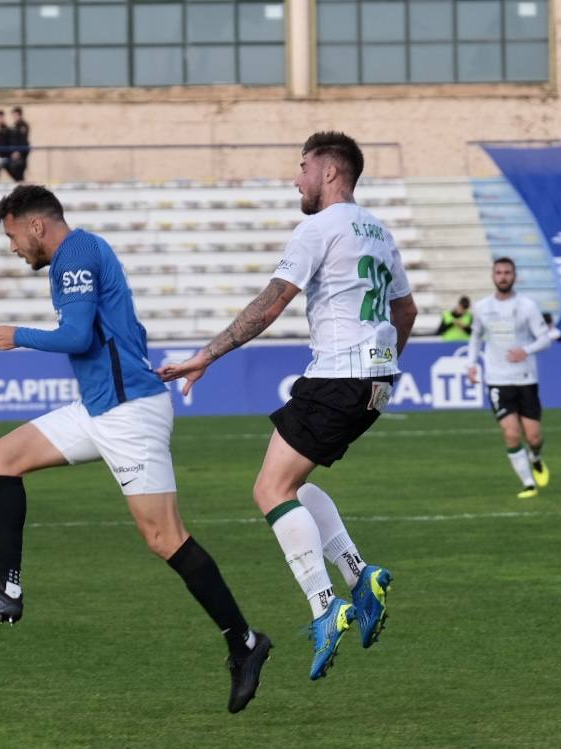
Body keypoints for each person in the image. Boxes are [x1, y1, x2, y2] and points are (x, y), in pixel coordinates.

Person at [0, 185, 271, 714]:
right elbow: (118, 330)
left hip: (128, 415)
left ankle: (245, 641)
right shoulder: (82, 255)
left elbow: (75, 337)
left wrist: (15, 335)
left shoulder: (75, 256)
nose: (13, 247)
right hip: (99, 408)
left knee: (165, 539)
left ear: (35, 225)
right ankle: (7, 588)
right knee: (2, 458)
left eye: (12, 235)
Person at [159, 132, 418, 682]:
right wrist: (384, 363)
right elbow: (407, 311)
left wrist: (207, 355)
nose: (295, 178)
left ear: (329, 172)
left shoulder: (318, 228)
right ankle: (359, 573)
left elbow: (271, 302)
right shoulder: (379, 231)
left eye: (302, 168)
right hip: (374, 382)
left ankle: (325, 606)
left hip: (337, 376)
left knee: (268, 490)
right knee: (294, 485)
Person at [465, 257, 553, 499]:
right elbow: (475, 337)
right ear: (493, 276)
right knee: (512, 433)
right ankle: (528, 484)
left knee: (534, 436)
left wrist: (526, 350)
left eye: (507, 272)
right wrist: (471, 364)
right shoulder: (482, 307)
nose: (503, 276)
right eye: (499, 272)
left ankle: (535, 457)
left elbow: (545, 339)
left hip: (525, 378)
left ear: (515, 276)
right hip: (497, 380)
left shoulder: (527, 306)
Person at [7, 106, 31, 182]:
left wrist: (18, 151)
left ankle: (23, 187)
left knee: (20, 171)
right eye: (13, 115)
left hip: (22, 152)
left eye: (15, 115)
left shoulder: (23, 125)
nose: (14, 117)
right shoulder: (14, 125)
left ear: (20, 115)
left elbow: (23, 140)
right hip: (15, 152)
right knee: (16, 173)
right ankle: (22, 187)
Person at [0, 110, 15, 182]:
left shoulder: (5, 129)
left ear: (2, 118)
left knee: (15, 176)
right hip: (2, 156)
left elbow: (6, 142)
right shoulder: (0, 129)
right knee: (15, 176)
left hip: (5, 156)